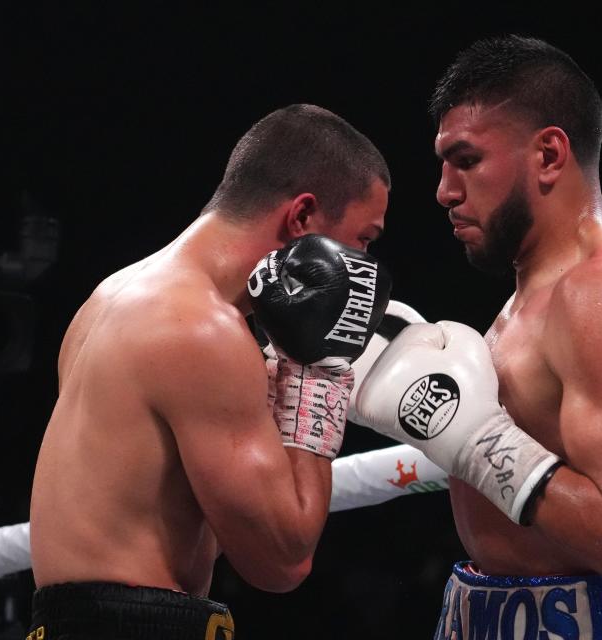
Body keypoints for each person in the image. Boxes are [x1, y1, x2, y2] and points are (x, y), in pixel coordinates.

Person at [354, 35, 602, 639]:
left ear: (548, 155)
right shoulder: (528, 305)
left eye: (466, 160)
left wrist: (473, 439)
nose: (444, 191)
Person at [27, 103, 391, 640]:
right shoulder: (202, 332)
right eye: (364, 239)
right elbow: (282, 560)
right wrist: (319, 379)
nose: (363, 265)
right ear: (302, 217)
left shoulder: (111, 296)